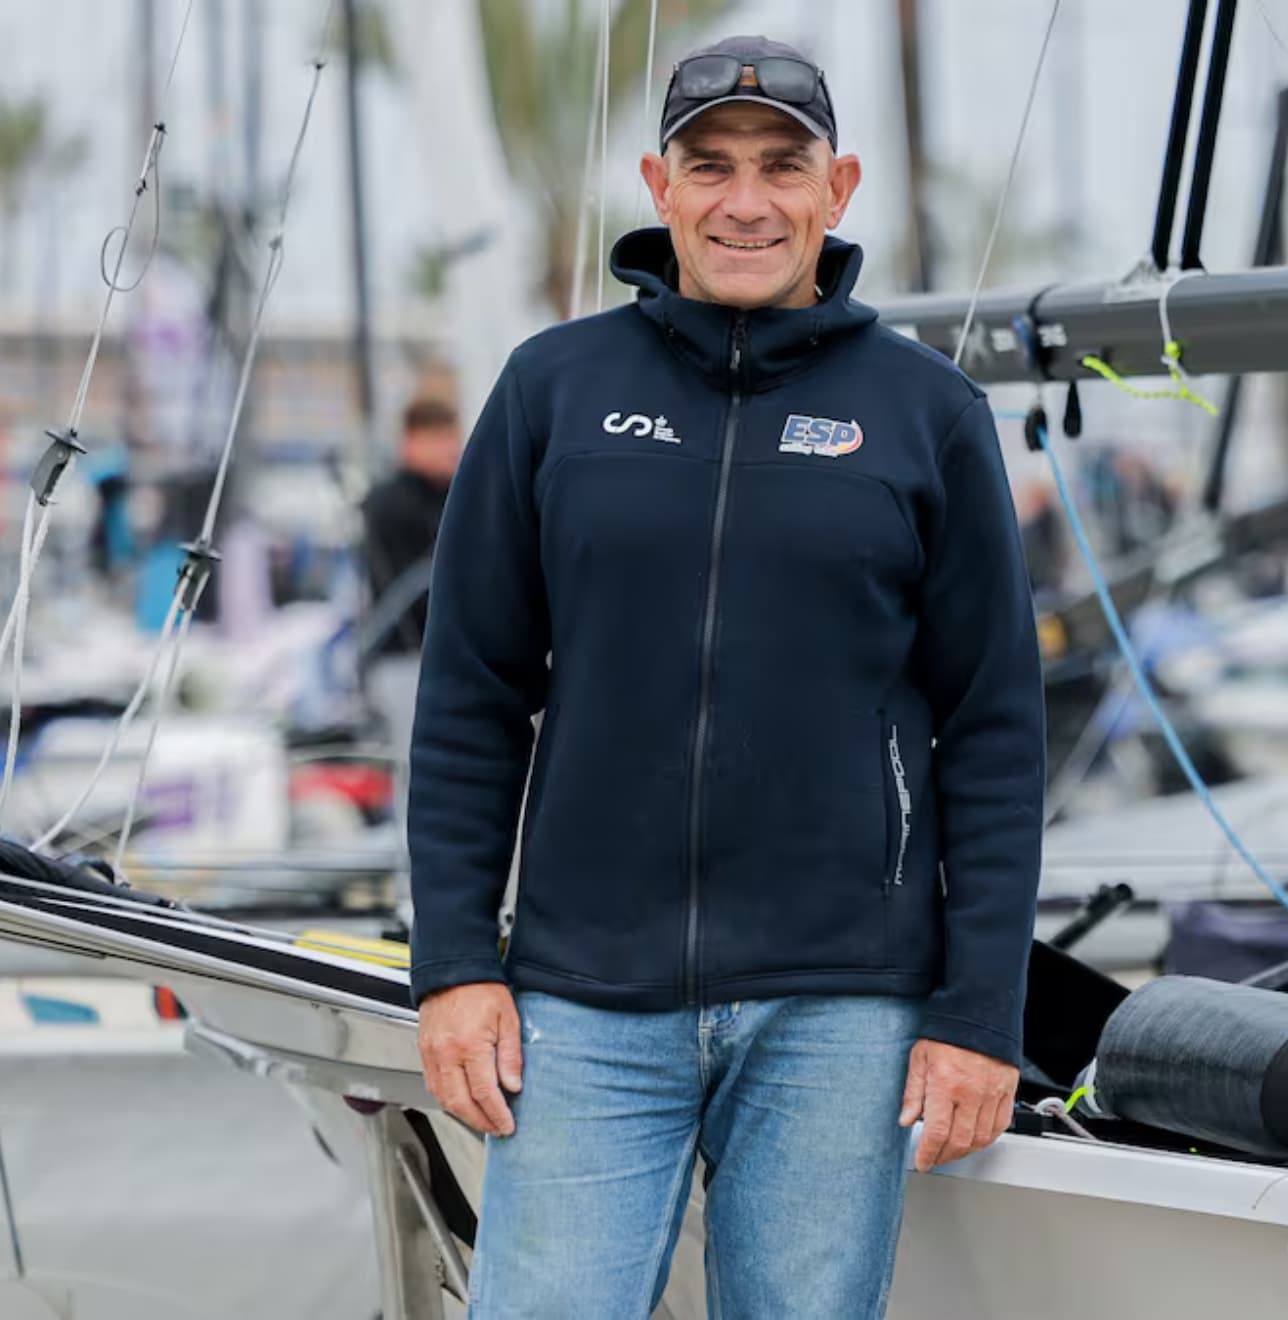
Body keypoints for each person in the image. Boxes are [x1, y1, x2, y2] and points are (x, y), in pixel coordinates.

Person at [408, 35, 1045, 1319]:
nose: (745, 199)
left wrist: (980, 1013)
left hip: (843, 1007)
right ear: (659, 183)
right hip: (584, 1001)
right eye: (710, 166)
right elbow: (471, 698)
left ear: (838, 187)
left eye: (780, 166)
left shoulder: (927, 414)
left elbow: (994, 731)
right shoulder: (553, 391)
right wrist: (456, 964)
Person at [361, 397, 463, 894]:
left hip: (443, 659)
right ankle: (412, 890)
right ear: (412, 442)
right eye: (442, 440)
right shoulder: (390, 502)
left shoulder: (452, 496)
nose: (454, 450)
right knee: (416, 769)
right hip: (404, 660)